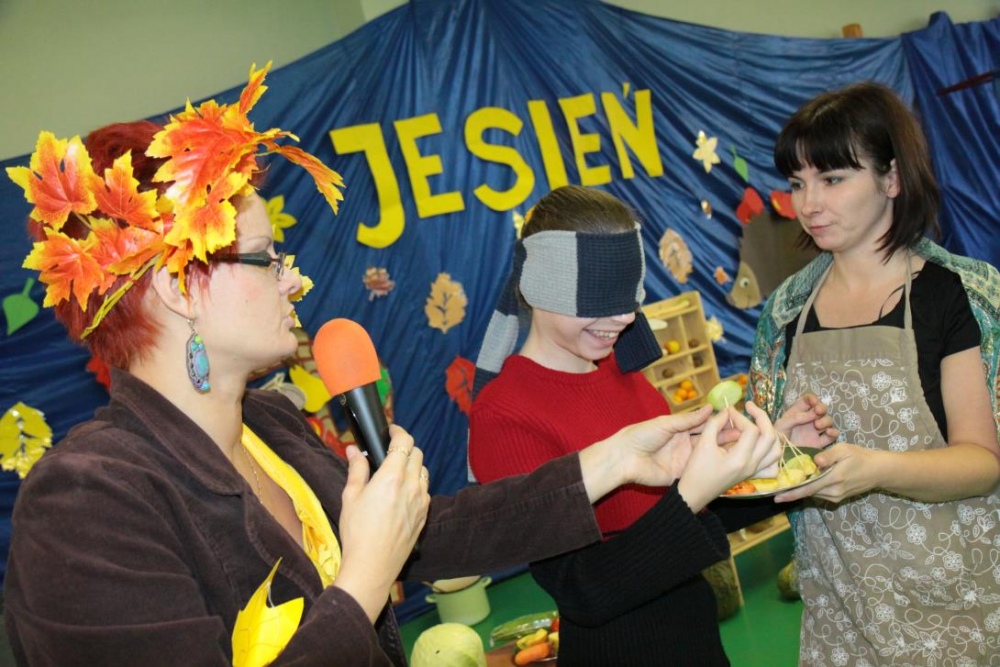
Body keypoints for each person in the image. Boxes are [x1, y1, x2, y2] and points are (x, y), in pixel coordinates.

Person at [2, 65, 780, 667]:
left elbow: (432, 531)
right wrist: (364, 583)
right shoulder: (87, 503)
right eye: (268, 258)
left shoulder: (270, 424)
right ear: (180, 287)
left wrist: (613, 460)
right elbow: (380, 566)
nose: (294, 280)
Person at [468, 185, 832, 666]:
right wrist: (692, 494)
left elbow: (688, 516)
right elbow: (584, 590)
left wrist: (775, 454)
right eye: (600, 297)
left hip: (697, 645)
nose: (624, 316)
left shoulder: (622, 374)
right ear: (541, 285)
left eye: (629, 296)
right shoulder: (505, 416)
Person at [748, 81, 1000, 665]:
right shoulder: (785, 314)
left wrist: (874, 469)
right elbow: (768, 469)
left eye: (833, 179)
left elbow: (983, 462)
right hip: (843, 614)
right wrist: (776, 449)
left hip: (958, 608)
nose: (809, 204)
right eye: (797, 183)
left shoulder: (955, 295)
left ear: (892, 179)